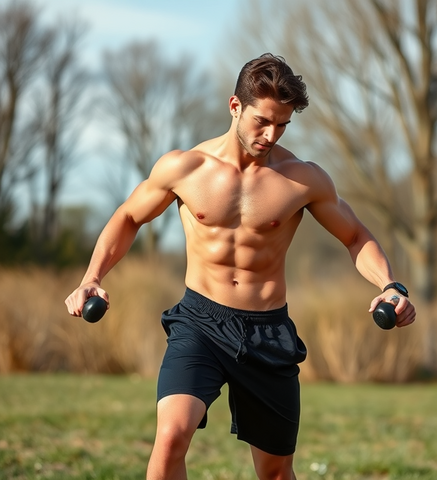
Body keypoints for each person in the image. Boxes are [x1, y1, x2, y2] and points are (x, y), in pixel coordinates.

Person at [65, 53, 416, 480]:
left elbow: (356, 236)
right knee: (171, 438)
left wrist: (391, 285)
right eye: (262, 121)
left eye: (283, 124)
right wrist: (92, 277)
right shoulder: (185, 168)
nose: (271, 134)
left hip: (268, 331)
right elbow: (128, 217)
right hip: (201, 322)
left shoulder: (302, 179)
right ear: (236, 107)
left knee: (274, 473)